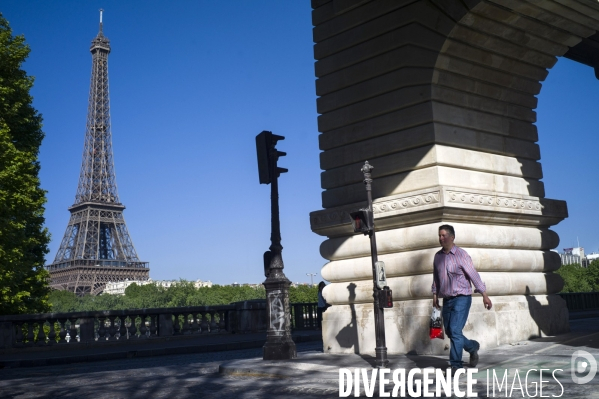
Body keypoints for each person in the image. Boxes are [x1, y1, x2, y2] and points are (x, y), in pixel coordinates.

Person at [431, 224, 492, 374]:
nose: (441, 238)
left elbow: (473, 275)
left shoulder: (461, 255)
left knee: (455, 330)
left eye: (444, 235)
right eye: (439, 235)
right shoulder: (437, 256)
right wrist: (434, 296)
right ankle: (472, 347)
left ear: (452, 237)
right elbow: (436, 278)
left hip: (462, 298)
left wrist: (484, 295)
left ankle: (456, 365)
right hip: (447, 299)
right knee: (451, 333)